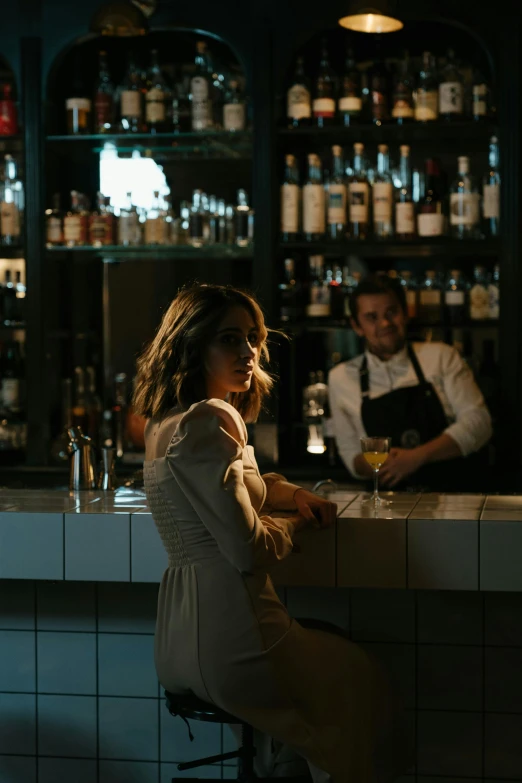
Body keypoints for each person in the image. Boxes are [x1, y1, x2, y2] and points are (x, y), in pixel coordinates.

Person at [133, 283, 408, 783]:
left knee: (312, 690)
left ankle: (283, 765)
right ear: (192, 345)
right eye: (230, 339)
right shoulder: (211, 418)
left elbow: (236, 484)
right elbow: (248, 550)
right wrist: (297, 522)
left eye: (253, 339)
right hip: (233, 636)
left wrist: (291, 494)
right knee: (359, 676)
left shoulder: (164, 421)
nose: (249, 352)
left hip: (177, 639)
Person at [328, 274, 493, 491]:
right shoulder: (340, 377)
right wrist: (387, 465)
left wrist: (416, 457)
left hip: (453, 497)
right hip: (387, 507)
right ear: (357, 326)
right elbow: (350, 454)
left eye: (391, 312)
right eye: (372, 317)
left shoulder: (442, 356)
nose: (385, 323)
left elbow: (479, 423)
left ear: (405, 313)